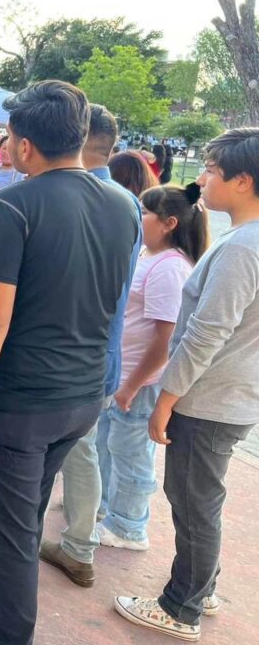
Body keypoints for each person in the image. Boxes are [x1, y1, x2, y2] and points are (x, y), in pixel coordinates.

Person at [0, 81, 138, 645]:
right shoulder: (123, 204)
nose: (5, 148)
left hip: (21, 406)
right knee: (24, 518)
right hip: (83, 397)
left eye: (8, 138)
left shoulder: (14, 204)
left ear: (25, 145)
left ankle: (6, 634)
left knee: (8, 540)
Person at [116, 128, 259, 642]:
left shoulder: (243, 247)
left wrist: (167, 400)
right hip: (229, 395)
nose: (203, 179)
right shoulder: (243, 240)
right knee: (203, 499)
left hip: (211, 399)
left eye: (213, 171)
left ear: (243, 181)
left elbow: (205, 333)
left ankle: (182, 606)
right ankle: (202, 586)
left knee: (193, 500)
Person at [35, 104, 141, 587]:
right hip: (100, 355)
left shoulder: (67, 197)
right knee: (82, 450)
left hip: (60, 359)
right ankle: (77, 544)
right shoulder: (125, 202)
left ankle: (57, 547)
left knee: (50, 455)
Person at [97, 183, 207, 553]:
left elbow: (165, 338)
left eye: (144, 212)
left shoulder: (171, 268)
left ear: (169, 222)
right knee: (111, 445)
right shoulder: (148, 255)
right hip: (124, 374)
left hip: (140, 382)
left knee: (131, 454)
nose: (137, 217)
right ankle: (108, 511)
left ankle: (128, 525)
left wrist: (131, 384)